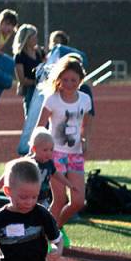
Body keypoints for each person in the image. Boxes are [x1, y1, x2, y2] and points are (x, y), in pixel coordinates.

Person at [36, 54, 92, 245]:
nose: (69, 83)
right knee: (59, 199)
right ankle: (49, 237)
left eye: (73, 80)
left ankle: (54, 229)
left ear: (80, 80)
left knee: (78, 201)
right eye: (65, 79)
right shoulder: (52, 100)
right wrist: (37, 149)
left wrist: (85, 139)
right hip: (56, 155)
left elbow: (86, 122)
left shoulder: (84, 99)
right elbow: (40, 126)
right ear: (58, 79)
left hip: (75, 155)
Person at [0, 129, 69, 211]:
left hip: (42, 198)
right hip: (27, 198)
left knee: (41, 218)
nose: (49, 153)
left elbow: (56, 174)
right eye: (45, 150)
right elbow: (10, 172)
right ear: (34, 149)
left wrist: (69, 184)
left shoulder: (49, 163)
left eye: (51, 150)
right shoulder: (28, 162)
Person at [12, 24, 44, 116]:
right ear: (27, 39)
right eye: (34, 37)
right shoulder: (19, 56)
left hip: (42, 91)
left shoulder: (39, 52)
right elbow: (22, 80)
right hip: (30, 91)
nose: (36, 39)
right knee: (31, 118)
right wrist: (36, 83)